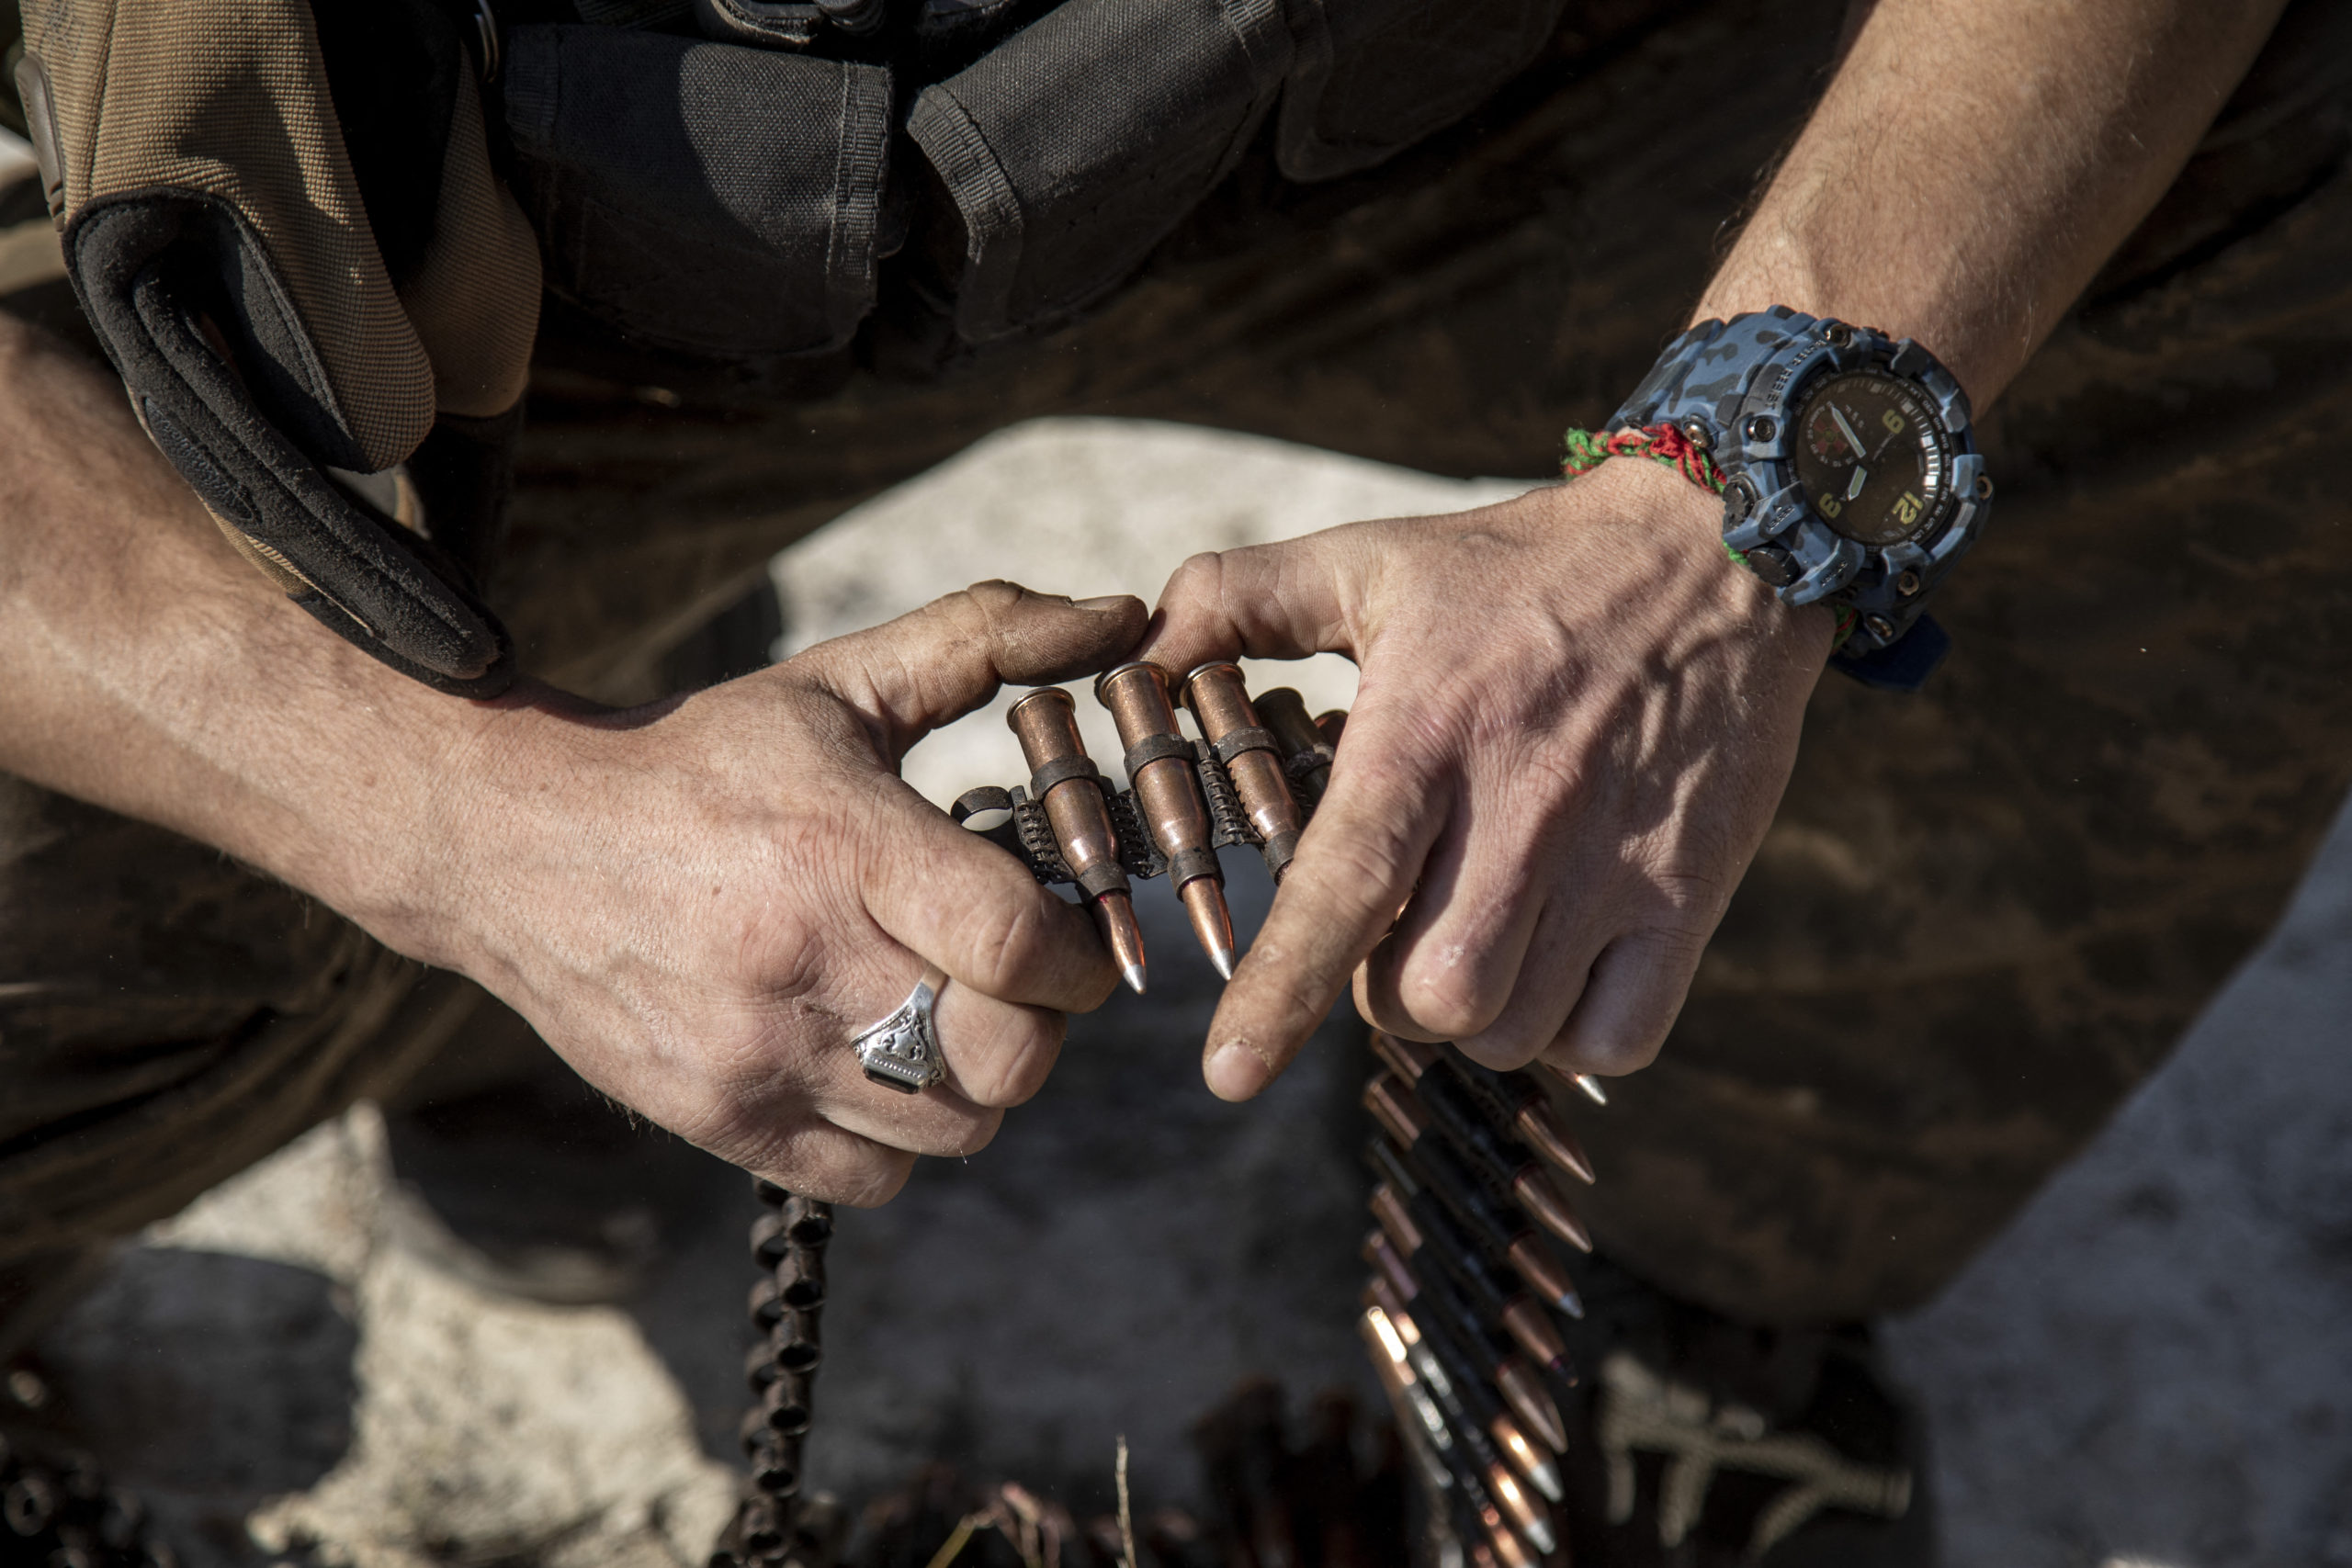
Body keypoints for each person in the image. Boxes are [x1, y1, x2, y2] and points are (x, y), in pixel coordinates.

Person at [3, 0, 2348, 1540]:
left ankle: (1674, 1240)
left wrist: (1734, 497)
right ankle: (546, 772)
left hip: (1480, 73)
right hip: (460, 224)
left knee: (2255, 186)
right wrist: (455, 815)